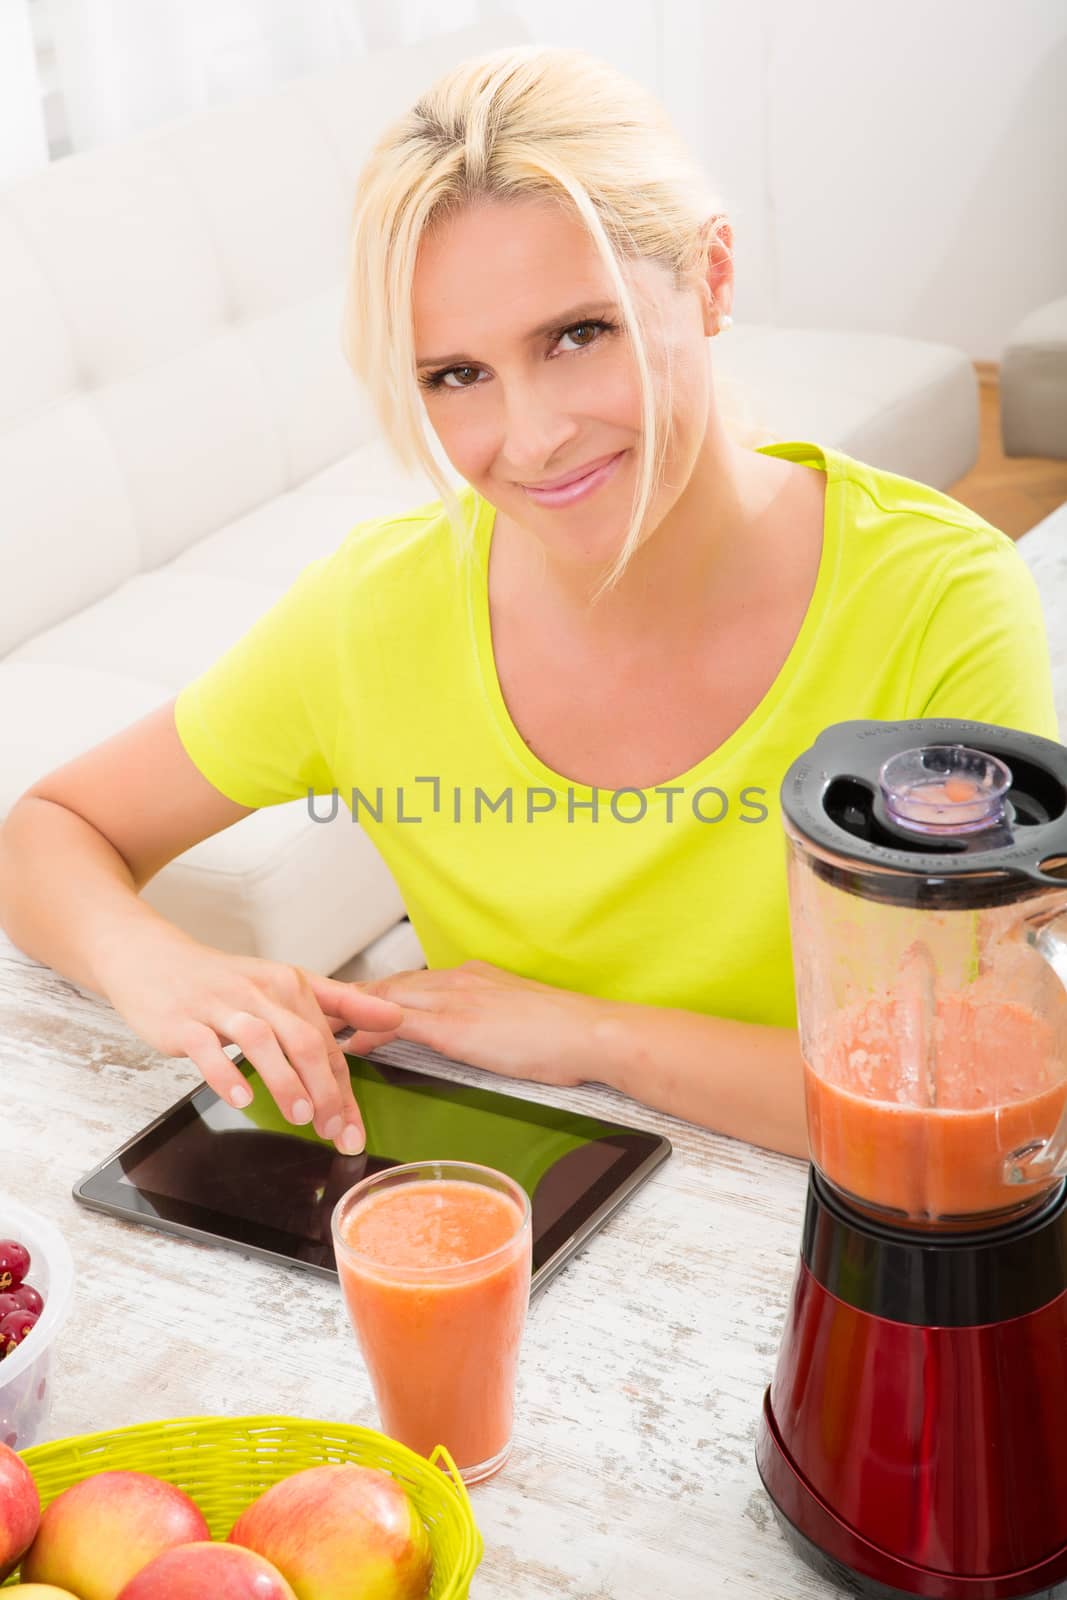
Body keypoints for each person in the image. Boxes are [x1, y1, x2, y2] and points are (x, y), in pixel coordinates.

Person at [0, 46, 1057, 1162]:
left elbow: (978, 1095)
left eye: (576, 334)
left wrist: (594, 1034)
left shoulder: (935, 602)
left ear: (710, 279)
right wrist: (165, 966)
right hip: (516, 1225)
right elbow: (49, 832)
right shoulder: (372, 620)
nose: (532, 435)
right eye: (456, 375)